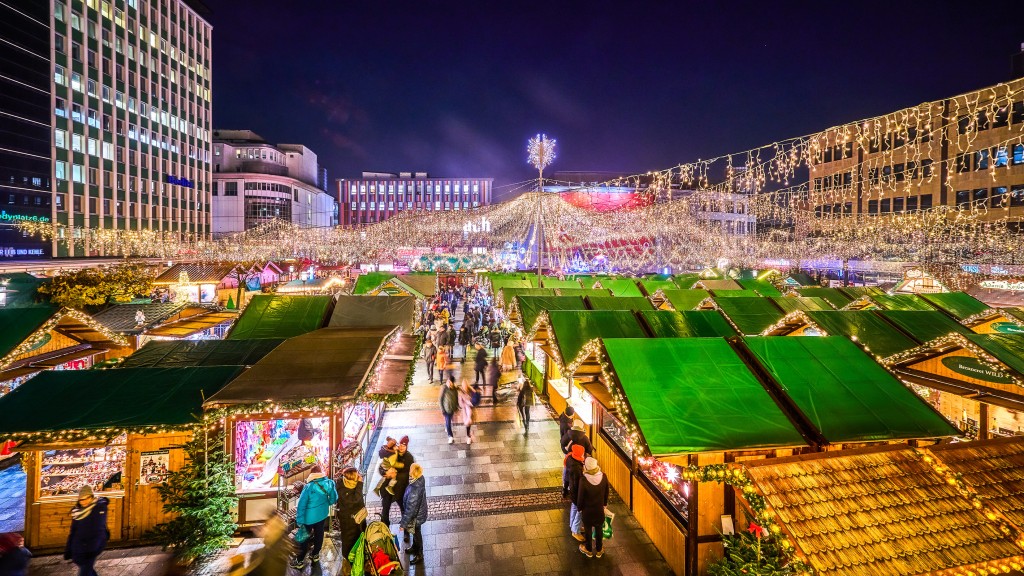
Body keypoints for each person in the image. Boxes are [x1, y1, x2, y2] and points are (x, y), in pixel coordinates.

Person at [291, 465, 338, 569]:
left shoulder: (308, 487)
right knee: (319, 534)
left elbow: (301, 505)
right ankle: (315, 555)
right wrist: (328, 502)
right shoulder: (329, 483)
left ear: (311, 474)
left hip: (308, 518)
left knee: (304, 538)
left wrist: (299, 520)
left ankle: (299, 561)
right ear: (320, 472)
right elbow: (334, 498)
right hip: (322, 515)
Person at [65, 485, 109, 576]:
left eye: (86, 498)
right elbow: (73, 530)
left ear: (91, 497)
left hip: (91, 547)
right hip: (78, 548)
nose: (84, 502)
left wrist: (93, 547)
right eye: (81, 499)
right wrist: (68, 548)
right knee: (87, 570)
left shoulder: (99, 508)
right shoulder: (77, 512)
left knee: (85, 572)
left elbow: (99, 529)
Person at [335, 467, 368, 571]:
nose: (359, 476)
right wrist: (360, 484)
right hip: (349, 520)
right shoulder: (344, 489)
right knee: (349, 539)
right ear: (352, 478)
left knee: (360, 537)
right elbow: (354, 499)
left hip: (359, 518)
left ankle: (359, 554)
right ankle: (349, 561)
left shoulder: (348, 484)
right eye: (357, 475)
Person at [576, 457, 609, 558]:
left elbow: (580, 497)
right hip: (599, 510)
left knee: (588, 529)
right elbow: (607, 492)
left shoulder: (583, 480)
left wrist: (579, 508)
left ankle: (588, 549)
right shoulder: (604, 477)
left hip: (587, 511)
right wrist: (604, 504)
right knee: (599, 528)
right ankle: (599, 549)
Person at [380, 437, 415, 533]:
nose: (402, 447)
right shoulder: (393, 453)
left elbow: (410, 473)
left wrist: (396, 474)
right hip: (388, 488)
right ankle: (384, 530)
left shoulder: (409, 457)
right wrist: (385, 473)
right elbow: (381, 457)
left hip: (401, 489)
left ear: (406, 446)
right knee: (385, 509)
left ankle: (406, 531)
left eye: (404, 446)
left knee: (404, 508)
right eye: (401, 445)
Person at [400, 464, 428, 565]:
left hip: (416, 517)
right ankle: (415, 547)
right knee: (417, 532)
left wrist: (403, 524)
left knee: (417, 534)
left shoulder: (414, 490)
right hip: (419, 513)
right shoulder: (420, 479)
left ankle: (419, 554)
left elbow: (410, 510)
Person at [564, 445, 586, 540]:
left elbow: (566, 475)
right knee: (579, 510)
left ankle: (572, 524)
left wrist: (565, 487)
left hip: (571, 488)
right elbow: (579, 482)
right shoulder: (576, 468)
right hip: (576, 491)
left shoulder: (569, 458)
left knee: (574, 507)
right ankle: (575, 531)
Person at [439, 377, 459, 444]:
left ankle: (447, 427)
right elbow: (440, 400)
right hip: (445, 409)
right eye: (448, 381)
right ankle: (450, 436)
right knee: (448, 422)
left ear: (453, 383)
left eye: (450, 382)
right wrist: (442, 409)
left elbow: (456, 397)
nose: (448, 383)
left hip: (452, 408)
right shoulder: (444, 388)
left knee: (449, 420)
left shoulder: (455, 389)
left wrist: (456, 407)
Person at [458, 380, 475, 444]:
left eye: (465, 385)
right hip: (465, 411)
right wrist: (464, 404)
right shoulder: (460, 392)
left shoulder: (471, 391)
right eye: (463, 385)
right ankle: (468, 436)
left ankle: (469, 436)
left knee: (469, 423)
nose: (464, 386)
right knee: (467, 424)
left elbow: (474, 399)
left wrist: (470, 403)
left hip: (471, 410)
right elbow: (460, 403)